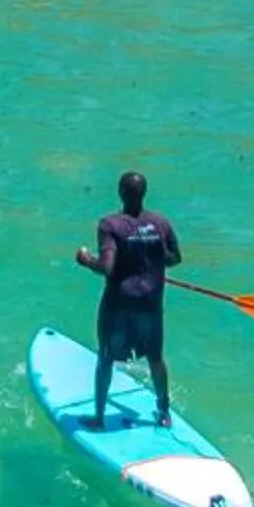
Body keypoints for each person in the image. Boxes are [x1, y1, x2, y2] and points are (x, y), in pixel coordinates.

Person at [75, 169, 183, 429]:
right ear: (144, 193)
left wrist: (85, 259)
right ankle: (164, 413)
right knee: (155, 357)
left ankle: (99, 419)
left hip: (119, 306)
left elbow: (107, 267)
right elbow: (174, 258)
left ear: (120, 193)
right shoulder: (161, 223)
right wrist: (149, 258)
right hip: (151, 304)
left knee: (106, 357)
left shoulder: (110, 225)